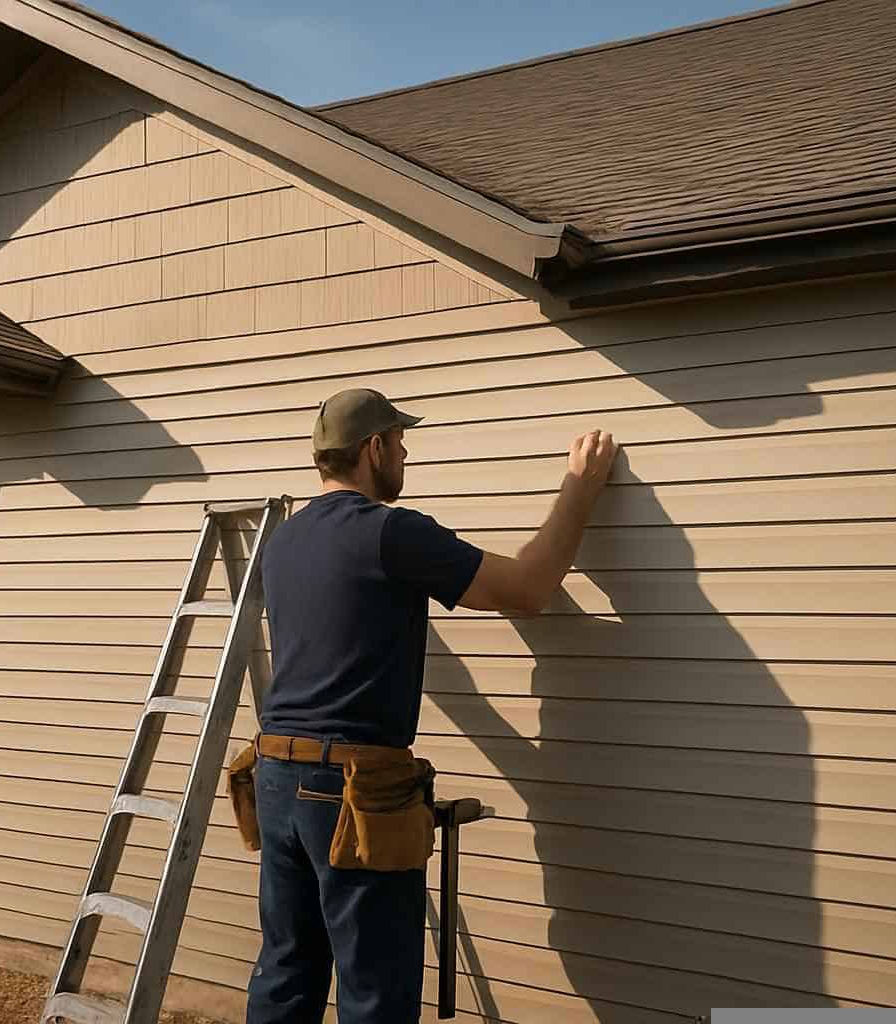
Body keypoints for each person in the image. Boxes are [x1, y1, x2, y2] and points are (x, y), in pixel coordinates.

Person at [242, 387, 618, 1023]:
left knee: (288, 972)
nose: (407, 452)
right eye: (400, 441)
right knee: (376, 992)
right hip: (350, 792)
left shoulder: (283, 541)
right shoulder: (392, 533)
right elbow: (528, 589)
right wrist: (580, 486)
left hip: (276, 776)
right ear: (374, 447)